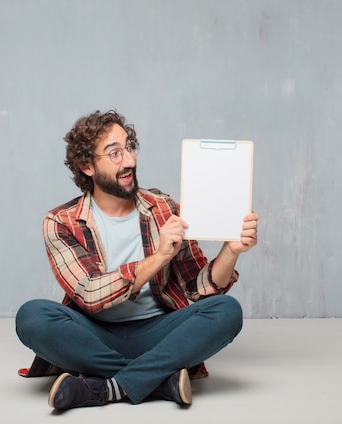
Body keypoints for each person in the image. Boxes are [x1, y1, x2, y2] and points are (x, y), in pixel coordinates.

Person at [15, 110, 258, 410]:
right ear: (86, 166)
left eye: (129, 147)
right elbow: (90, 294)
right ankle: (158, 379)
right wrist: (158, 257)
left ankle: (107, 388)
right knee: (32, 317)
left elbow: (199, 289)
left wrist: (230, 251)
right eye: (114, 153)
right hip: (94, 335)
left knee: (227, 311)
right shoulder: (61, 221)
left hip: (159, 332)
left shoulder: (164, 208)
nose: (129, 160)